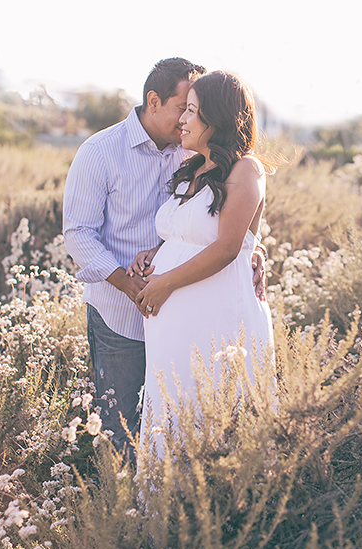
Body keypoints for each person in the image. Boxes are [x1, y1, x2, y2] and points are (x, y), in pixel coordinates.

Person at [63, 58, 268, 460]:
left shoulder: (194, 153)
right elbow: (78, 234)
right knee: (122, 425)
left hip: (185, 315)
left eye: (194, 109)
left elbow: (222, 222)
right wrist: (129, 281)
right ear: (153, 101)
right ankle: (124, 509)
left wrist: (254, 249)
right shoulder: (101, 151)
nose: (185, 120)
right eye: (183, 107)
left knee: (184, 415)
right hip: (120, 312)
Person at [127, 71, 274, 447]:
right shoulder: (192, 168)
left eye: (192, 110)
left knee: (217, 411)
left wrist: (164, 282)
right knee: (172, 408)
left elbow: (227, 246)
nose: (182, 120)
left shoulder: (246, 169)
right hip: (172, 327)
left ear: (218, 118)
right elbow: (188, 234)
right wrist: (154, 255)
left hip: (218, 319)